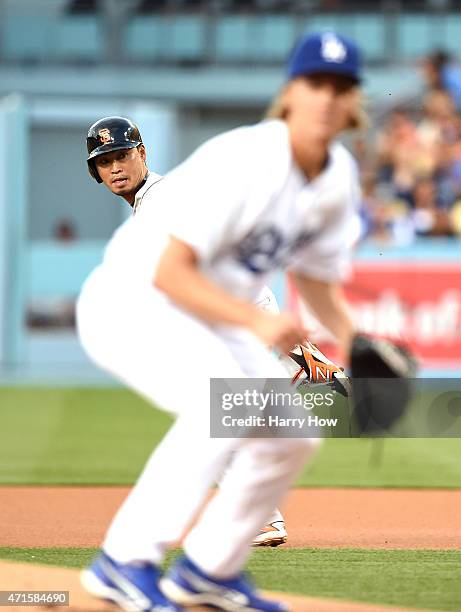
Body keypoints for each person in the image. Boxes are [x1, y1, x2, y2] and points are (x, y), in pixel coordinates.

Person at [77, 30, 362, 612]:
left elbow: (312, 277)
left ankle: (209, 571)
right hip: (127, 309)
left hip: (197, 316)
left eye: (341, 86)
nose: (328, 98)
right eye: (315, 84)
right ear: (290, 93)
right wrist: (276, 342)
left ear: (355, 100)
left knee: (292, 435)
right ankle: (124, 562)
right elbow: (173, 278)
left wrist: (359, 343)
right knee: (222, 407)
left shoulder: (336, 180)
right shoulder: (248, 161)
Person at [85, 114, 293, 547]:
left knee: (209, 418)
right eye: (105, 162)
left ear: (142, 153)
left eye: (122, 155)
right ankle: (260, 515)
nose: (116, 167)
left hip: (232, 316)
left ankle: (260, 518)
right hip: (233, 314)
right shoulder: (152, 200)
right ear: (97, 172)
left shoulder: (161, 199)